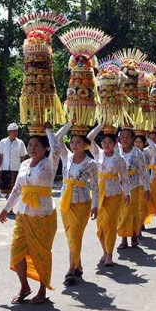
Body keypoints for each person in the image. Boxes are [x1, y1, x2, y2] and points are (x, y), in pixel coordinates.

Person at [0, 124, 61, 305]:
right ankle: (24, 286)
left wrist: (48, 130)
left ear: (45, 148)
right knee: (16, 251)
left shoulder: (49, 163)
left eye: (36, 145)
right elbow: (17, 190)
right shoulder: (24, 164)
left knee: (41, 253)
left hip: (43, 216)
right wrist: (5, 210)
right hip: (23, 215)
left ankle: (42, 290)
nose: (32, 148)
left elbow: (56, 148)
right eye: (30, 145)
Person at [55, 123, 99, 286]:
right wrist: (70, 124)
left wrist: (96, 205)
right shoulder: (66, 156)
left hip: (82, 204)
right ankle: (78, 264)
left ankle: (70, 270)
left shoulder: (91, 163)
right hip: (66, 202)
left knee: (75, 235)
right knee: (71, 236)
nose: (74, 145)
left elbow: (95, 186)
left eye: (78, 142)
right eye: (72, 142)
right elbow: (57, 138)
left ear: (86, 145)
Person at [89, 124, 131, 266]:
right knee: (100, 225)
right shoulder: (97, 153)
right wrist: (101, 125)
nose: (106, 145)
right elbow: (89, 138)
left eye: (110, 142)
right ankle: (104, 251)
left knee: (111, 224)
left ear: (115, 144)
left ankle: (110, 254)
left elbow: (124, 178)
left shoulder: (119, 159)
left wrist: (128, 194)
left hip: (114, 194)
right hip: (99, 193)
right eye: (104, 142)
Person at [117, 127, 150, 248]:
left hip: (135, 187)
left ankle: (134, 234)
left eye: (127, 136)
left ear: (132, 139)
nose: (124, 139)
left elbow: (143, 172)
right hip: (119, 187)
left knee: (132, 213)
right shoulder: (116, 151)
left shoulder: (137, 153)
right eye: (122, 136)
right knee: (122, 213)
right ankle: (123, 239)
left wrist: (147, 188)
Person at [0, 123, 27, 199]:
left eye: (16, 131)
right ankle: (9, 207)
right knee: (5, 190)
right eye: (13, 131)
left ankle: (10, 208)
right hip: (5, 169)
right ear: (9, 132)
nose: (15, 133)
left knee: (14, 190)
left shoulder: (20, 143)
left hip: (16, 169)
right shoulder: (3, 142)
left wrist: (24, 170)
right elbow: (0, 157)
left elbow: (23, 158)